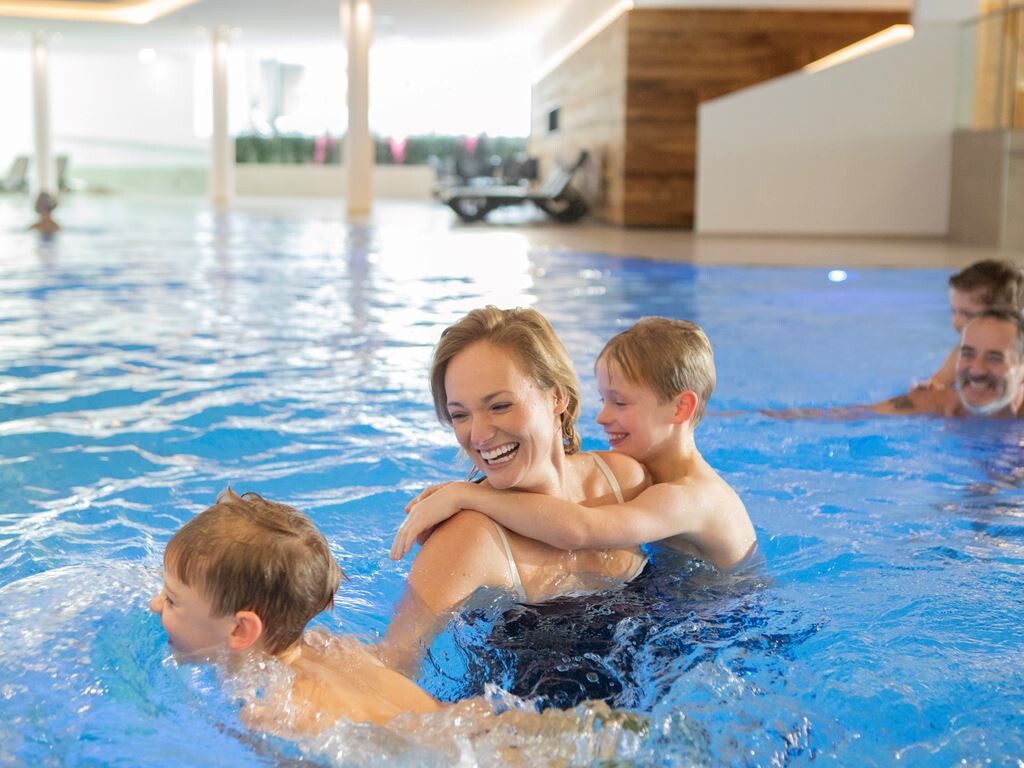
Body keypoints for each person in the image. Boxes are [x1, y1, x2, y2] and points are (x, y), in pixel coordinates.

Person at [376, 306, 650, 676]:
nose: (478, 435)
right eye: (460, 415)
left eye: (500, 405)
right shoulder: (468, 540)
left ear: (557, 397)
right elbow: (391, 666)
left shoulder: (623, 482)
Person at [391, 317, 756, 572]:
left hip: (733, 622)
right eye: (603, 400)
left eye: (620, 402)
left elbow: (580, 530)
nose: (602, 417)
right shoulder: (647, 478)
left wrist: (466, 495)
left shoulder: (688, 497)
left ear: (680, 408)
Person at [149, 488, 442, 734]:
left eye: (171, 600)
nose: (154, 604)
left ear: (240, 630)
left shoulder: (282, 712)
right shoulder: (331, 648)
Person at [876, 308, 1024, 418]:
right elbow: (863, 414)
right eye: (968, 354)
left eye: (994, 358)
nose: (976, 370)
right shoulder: (937, 403)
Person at [924, 259, 1024, 388]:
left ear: (1008, 314)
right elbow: (936, 385)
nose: (956, 322)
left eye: (968, 314)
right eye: (954, 311)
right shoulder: (963, 352)